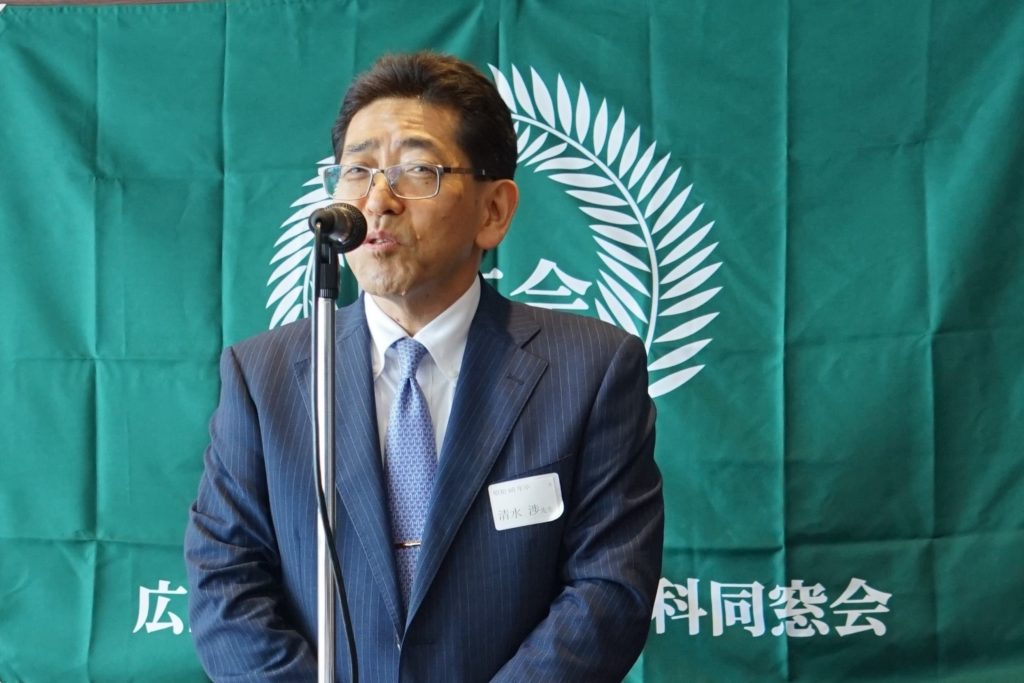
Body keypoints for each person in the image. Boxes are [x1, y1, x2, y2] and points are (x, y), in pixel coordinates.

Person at [184, 51, 664, 682]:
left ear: (493, 211)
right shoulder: (262, 376)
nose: (378, 201)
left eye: (417, 170)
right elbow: (226, 578)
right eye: (357, 170)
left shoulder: (592, 369)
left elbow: (608, 588)